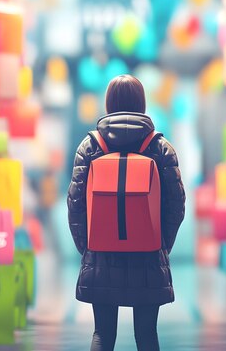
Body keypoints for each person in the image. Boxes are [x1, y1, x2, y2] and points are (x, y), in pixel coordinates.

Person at [67, 75, 186, 351]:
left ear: (108, 103)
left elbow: (75, 204)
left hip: (101, 256)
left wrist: (88, 247)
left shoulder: (90, 148)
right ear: (142, 103)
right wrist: (161, 244)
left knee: (102, 335)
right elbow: (176, 205)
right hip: (148, 258)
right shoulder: (159, 148)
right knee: (146, 336)